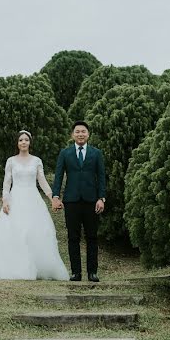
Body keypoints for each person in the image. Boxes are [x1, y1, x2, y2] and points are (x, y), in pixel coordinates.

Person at [0, 130, 68, 280]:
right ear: (17, 143)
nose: (23, 142)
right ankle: (16, 268)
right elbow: (7, 183)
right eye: (20, 140)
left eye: (26, 140)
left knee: (35, 232)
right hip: (15, 199)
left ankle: (39, 267)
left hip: (33, 199)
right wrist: (5, 200)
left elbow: (42, 181)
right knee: (14, 231)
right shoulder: (11, 161)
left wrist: (52, 198)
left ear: (30, 142)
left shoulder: (36, 161)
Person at [52, 121, 106, 282]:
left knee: (92, 237)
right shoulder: (65, 153)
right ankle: (76, 272)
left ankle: (92, 272)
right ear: (72, 135)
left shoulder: (96, 153)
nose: (80, 134)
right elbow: (59, 175)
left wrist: (101, 198)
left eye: (83, 131)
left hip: (91, 200)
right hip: (71, 200)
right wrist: (56, 196)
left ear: (88, 134)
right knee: (73, 237)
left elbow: (102, 176)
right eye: (77, 132)